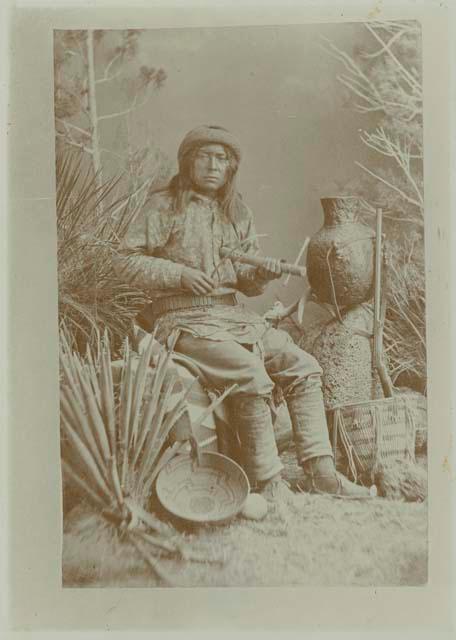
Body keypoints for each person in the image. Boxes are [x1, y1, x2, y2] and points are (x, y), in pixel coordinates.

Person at [113, 124, 372, 504]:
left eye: (222, 160)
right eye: (205, 157)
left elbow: (245, 285)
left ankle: (321, 474)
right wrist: (178, 274)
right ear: (188, 161)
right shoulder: (163, 205)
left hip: (234, 318)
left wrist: (260, 275)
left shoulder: (237, 212)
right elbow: (122, 262)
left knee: (303, 366)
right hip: (181, 320)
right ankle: (267, 482)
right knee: (251, 374)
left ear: (231, 167)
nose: (214, 166)